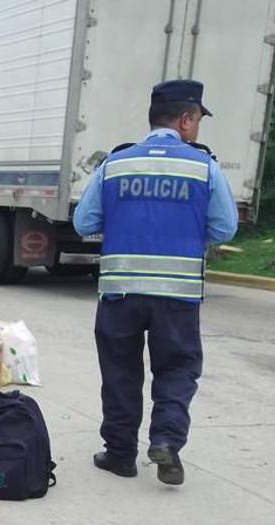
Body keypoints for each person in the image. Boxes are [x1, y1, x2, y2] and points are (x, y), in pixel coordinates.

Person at [73, 79, 238, 486]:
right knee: (178, 369)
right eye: (197, 119)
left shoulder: (115, 164)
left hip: (120, 292)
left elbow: (83, 223)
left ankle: (120, 454)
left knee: (120, 371)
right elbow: (225, 228)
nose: (197, 127)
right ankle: (166, 440)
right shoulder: (204, 167)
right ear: (185, 119)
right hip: (177, 294)